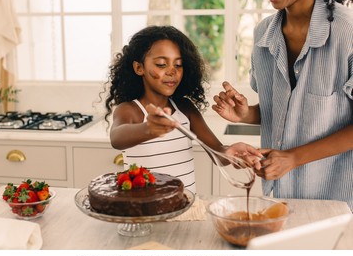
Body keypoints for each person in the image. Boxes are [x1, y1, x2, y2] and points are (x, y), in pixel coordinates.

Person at [212, 0, 353, 209]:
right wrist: (246, 114)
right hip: (278, 197)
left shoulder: (348, 31)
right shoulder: (262, 34)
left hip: (337, 202)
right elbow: (285, 110)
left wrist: (293, 158)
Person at [102, 25, 262, 193]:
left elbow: (217, 152)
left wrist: (230, 152)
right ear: (139, 68)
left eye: (178, 65)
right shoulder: (130, 110)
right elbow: (117, 138)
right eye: (161, 64)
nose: (172, 71)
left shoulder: (185, 108)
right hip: (143, 211)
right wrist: (148, 129)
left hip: (185, 206)